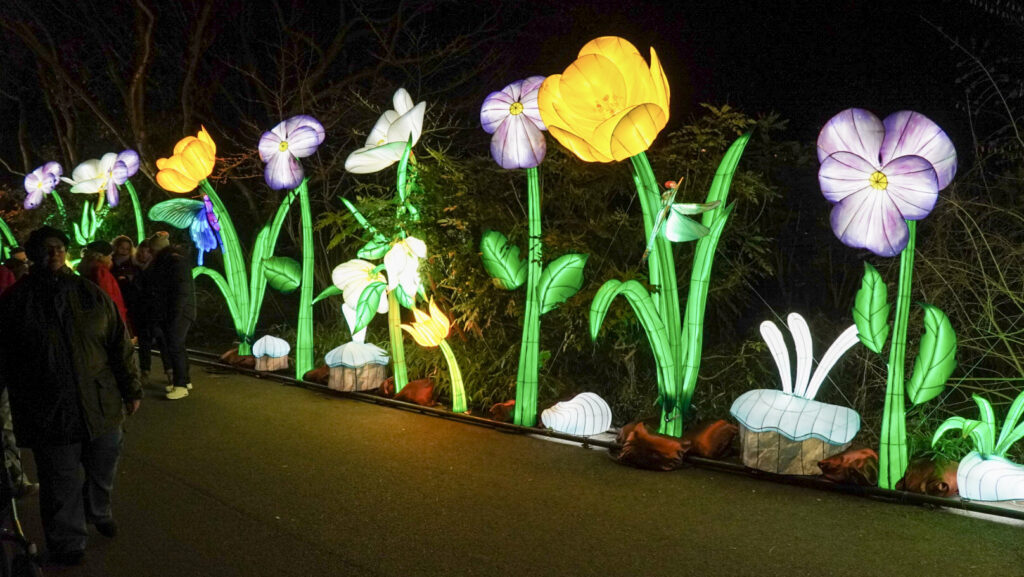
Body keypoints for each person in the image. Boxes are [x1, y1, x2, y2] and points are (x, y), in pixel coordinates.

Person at [0, 226, 142, 566]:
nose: (54, 254)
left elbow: (118, 344)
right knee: (60, 477)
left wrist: (131, 387)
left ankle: (98, 509)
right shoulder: (16, 303)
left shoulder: (88, 293)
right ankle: (68, 540)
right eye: (47, 248)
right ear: (33, 255)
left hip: (101, 400)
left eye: (59, 247)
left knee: (104, 462)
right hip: (49, 406)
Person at [147, 232, 196, 399]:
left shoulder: (172, 262)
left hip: (178, 311)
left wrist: (174, 313)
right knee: (178, 345)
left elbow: (180, 291)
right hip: (180, 310)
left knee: (174, 345)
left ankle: (181, 385)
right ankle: (184, 380)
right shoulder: (173, 260)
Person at [78, 240, 129, 324]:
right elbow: (108, 297)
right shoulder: (101, 272)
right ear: (102, 256)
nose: (111, 257)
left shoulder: (87, 270)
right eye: (110, 255)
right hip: (108, 319)